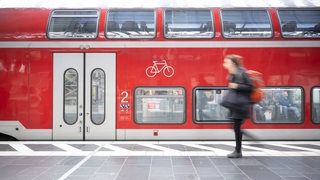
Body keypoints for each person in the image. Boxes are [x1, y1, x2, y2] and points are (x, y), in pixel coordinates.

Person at [222, 54, 253, 158]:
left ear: (233, 63)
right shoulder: (233, 73)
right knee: (235, 127)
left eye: (227, 62)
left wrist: (237, 85)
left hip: (239, 105)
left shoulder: (242, 72)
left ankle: (238, 151)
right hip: (234, 105)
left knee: (236, 127)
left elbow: (250, 87)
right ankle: (240, 145)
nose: (224, 64)